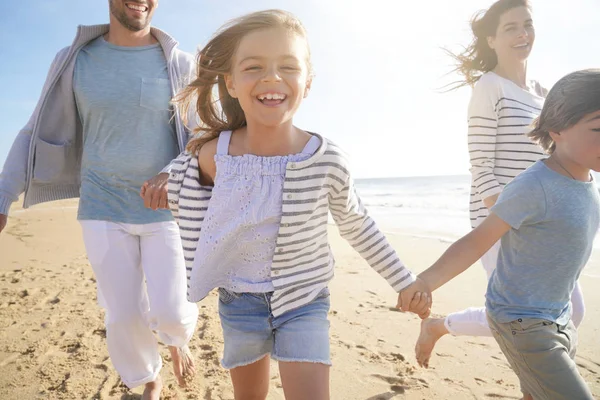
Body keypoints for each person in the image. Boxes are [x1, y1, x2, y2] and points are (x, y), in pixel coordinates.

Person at [167, 9, 430, 400]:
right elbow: (180, 180)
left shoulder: (324, 159)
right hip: (239, 302)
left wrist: (404, 280)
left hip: (304, 299)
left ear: (307, 82)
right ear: (232, 83)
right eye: (254, 66)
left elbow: (356, 223)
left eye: (287, 66)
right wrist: (163, 180)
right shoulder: (215, 155)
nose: (272, 77)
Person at [0, 1, 199, 398]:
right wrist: (4, 194)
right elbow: (32, 128)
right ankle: (149, 378)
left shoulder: (180, 63)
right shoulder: (74, 59)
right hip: (101, 204)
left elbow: (201, 137)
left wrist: (171, 173)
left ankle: (178, 339)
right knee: (123, 315)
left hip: (165, 209)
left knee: (172, 312)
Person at [406, 69, 600, 400]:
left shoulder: (587, 180)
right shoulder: (533, 186)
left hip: (559, 318)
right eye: (598, 128)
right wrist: (425, 281)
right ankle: (438, 327)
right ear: (557, 129)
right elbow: (477, 241)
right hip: (523, 324)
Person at [415, 0, 585, 370]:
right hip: (503, 218)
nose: (523, 34)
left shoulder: (545, 93)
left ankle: (439, 326)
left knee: (570, 311)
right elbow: (481, 166)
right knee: (531, 316)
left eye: (528, 24)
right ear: (491, 39)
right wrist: (507, 216)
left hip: (544, 217)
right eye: (511, 28)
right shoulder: (489, 86)